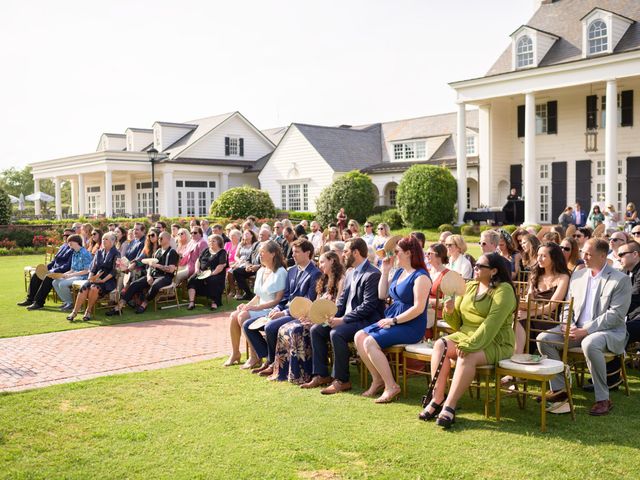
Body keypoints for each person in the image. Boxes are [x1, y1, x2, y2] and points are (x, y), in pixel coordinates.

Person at [419, 253, 517, 428]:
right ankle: (437, 398)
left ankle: (450, 405)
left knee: (467, 355)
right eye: (475, 264)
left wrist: (470, 345)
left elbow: (491, 325)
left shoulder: (504, 291)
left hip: (496, 341)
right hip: (466, 335)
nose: (476, 268)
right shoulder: (470, 287)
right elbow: (457, 324)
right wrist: (450, 311)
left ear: (494, 271)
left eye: (480, 266)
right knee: (440, 345)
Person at [537, 238, 632, 416]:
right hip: (576, 330)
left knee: (589, 342)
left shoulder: (621, 280)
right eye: (583, 253)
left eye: (589, 254)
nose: (584, 257)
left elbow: (616, 315)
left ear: (603, 256)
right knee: (544, 339)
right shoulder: (578, 275)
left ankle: (603, 398)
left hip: (608, 332)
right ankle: (559, 391)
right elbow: (567, 305)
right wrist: (567, 324)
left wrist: (586, 329)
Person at [301, 238, 385, 394]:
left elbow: (368, 306)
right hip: (347, 319)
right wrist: (330, 317)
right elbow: (341, 302)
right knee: (316, 329)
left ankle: (342, 380)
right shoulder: (351, 273)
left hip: (365, 321)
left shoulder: (372, 274)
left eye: (345, 251)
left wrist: (343, 320)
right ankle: (321, 375)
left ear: (356, 252)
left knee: (336, 333)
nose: (343, 255)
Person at [356, 236, 431, 403]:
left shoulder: (421, 276)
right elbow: (382, 295)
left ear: (408, 253)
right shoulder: (399, 272)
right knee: (359, 336)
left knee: (369, 342)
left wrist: (394, 320)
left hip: (411, 325)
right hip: (393, 320)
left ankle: (392, 386)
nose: (393, 254)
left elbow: (418, 308)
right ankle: (378, 379)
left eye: (397, 251)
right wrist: (385, 271)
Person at [244, 239, 321, 376]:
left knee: (270, 327)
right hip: (284, 310)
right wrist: (277, 309)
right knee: (247, 325)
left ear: (307, 253)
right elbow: (285, 297)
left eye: (297, 252)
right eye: (292, 252)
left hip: (299, 314)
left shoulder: (315, 273)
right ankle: (269, 359)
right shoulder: (291, 271)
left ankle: (273, 362)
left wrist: (284, 312)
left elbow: (308, 301)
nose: (293, 255)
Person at [271, 251, 345, 384]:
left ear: (332, 261)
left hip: (330, 319)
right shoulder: (323, 280)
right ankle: (285, 371)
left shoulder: (341, 280)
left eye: (322, 262)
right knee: (285, 328)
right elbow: (314, 305)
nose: (320, 265)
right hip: (316, 318)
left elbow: (338, 308)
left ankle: (310, 374)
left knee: (299, 330)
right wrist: (308, 316)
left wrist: (315, 319)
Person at [224, 241, 288, 368]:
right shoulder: (260, 271)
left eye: (263, 252)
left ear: (273, 254)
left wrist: (255, 308)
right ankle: (235, 353)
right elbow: (258, 296)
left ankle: (255, 357)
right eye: (259, 252)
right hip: (259, 307)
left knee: (242, 316)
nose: (260, 255)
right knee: (234, 315)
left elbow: (278, 300)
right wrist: (247, 305)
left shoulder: (281, 272)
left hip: (271, 310)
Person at [509, 242, 570, 368]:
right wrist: (523, 306)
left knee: (520, 321)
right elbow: (529, 299)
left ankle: (517, 364)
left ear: (553, 258)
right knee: (516, 318)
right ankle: (518, 362)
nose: (539, 259)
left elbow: (552, 306)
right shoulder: (535, 275)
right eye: (538, 255)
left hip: (550, 318)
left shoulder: (563, 277)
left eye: (543, 256)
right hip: (532, 314)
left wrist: (528, 313)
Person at [108, 231, 178, 315]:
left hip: (165, 277)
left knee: (155, 285)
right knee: (134, 284)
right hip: (153, 275)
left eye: (161, 238)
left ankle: (144, 303)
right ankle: (119, 307)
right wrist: (148, 276)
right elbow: (150, 266)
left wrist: (157, 266)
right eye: (158, 237)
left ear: (168, 239)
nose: (159, 239)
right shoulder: (158, 251)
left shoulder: (172, 252)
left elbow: (171, 269)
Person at [67, 232, 120, 322]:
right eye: (103, 239)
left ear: (112, 241)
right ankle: (74, 312)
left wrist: (103, 280)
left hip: (108, 280)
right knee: (85, 287)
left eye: (106, 239)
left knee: (94, 288)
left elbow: (114, 271)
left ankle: (88, 311)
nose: (103, 241)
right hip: (96, 278)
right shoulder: (99, 252)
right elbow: (92, 268)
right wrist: (91, 278)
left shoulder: (116, 253)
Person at [18, 228, 74, 310]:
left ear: (73, 236)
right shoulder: (63, 246)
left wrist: (53, 271)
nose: (65, 237)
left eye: (68, 235)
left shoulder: (74, 248)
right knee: (36, 274)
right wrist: (45, 268)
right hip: (54, 270)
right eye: (64, 235)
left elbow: (68, 265)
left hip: (64, 272)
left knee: (48, 277)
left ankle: (38, 303)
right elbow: (54, 261)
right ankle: (30, 299)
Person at [186, 234, 228, 311]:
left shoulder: (222, 252)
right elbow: (198, 261)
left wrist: (211, 273)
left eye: (213, 241)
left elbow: (221, 266)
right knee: (192, 279)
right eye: (209, 241)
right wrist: (197, 269)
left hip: (216, 273)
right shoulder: (206, 250)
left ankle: (214, 302)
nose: (211, 242)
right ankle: (191, 302)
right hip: (202, 272)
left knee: (212, 280)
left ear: (219, 242)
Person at [52, 234, 93, 311]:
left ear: (77, 242)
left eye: (71, 241)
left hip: (83, 276)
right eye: (68, 242)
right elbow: (72, 269)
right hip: (76, 275)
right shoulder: (74, 253)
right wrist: (64, 274)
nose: (69, 243)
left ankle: (71, 303)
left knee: (62, 284)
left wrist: (71, 275)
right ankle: (66, 301)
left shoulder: (85, 253)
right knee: (55, 282)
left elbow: (87, 270)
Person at [230, 229, 259, 300]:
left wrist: (246, 263)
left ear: (252, 235)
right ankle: (235, 291)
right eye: (244, 234)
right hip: (240, 262)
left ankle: (246, 293)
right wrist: (239, 260)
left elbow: (254, 258)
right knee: (230, 271)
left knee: (236, 272)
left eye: (247, 234)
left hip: (250, 264)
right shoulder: (241, 244)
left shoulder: (255, 245)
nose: (245, 235)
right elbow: (236, 256)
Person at [427, 243, 449, 330]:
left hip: (437, 312)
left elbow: (447, 302)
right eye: (426, 253)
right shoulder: (426, 271)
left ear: (439, 255)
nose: (426, 255)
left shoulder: (447, 275)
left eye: (429, 253)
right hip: (423, 308)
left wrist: (428, 301)